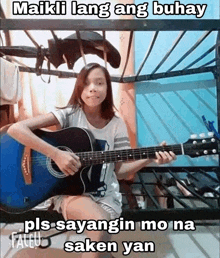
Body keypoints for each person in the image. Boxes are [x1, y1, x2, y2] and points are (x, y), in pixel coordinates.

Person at [7, 63, 176, 258]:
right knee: (100, 226)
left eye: (99, 83)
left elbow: (120, 171)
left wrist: (150, 158)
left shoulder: (116, 124)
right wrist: (56, 154)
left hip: (105, 194)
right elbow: (15, 129)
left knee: (100, 236)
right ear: (79, 89)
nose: (93, 88)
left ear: (107, 88)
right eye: (86, 84)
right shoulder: (69, 114)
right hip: (70, 192)